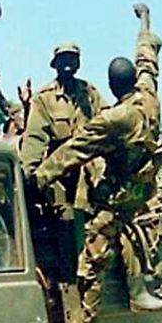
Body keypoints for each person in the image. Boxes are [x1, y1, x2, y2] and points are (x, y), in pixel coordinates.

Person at [33, 4, 162, 323]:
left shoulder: (114, 118)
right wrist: (144, 22)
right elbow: (147, 60)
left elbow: (74, 150)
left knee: (89, 265)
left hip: (117, 197)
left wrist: (37, 177)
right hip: (143, 192)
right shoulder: (149, 97)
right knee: (129, 233)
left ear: (111, 86)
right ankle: (146, 286)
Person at [21, 42, 107, 216]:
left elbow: (107, 121)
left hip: (88, 169)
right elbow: (35, 137)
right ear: (55, 64)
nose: (68, 62)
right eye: (63, 58)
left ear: (78, 63)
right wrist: (28, 174)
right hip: (59, 168)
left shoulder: (90, 93)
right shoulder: (44, 98)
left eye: (72, 58)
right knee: (63, 217)